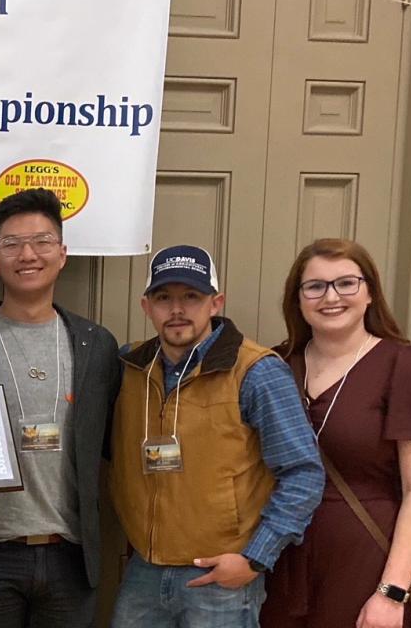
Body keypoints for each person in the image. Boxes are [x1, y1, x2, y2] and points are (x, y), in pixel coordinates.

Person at [108, 244, 324, 628]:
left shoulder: (255, 371)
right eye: (163, 298)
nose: (177, 309)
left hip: (220, 579)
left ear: (215, 303)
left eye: (191, 296)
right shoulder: (132, 367)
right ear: (146, 306)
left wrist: (254, 559)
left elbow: (303, 473)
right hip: (145, 571)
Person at [260, 238, 411, 628]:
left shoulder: (402, 365)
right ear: (297, 299)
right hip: (279, 558)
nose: (331, 297)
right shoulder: (274, 365)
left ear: (370, 292)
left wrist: (391, 592)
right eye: (315, 286)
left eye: (346, 283)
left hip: (366, 562)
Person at [0, 189, 120, 628]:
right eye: (11, 244)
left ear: (63, 254)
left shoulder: (96, 345)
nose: (28, 254)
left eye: (42, 241)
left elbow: (113, 442)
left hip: (69, 555)